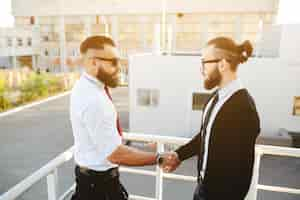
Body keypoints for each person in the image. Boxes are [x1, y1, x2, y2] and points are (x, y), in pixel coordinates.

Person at [160, 37, 261, 200]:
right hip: (202, 189)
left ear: (222, 64)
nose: (201, 70)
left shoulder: (244, 108)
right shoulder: (216, 98)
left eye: (204, 62)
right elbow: (205, 136)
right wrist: (179, 155)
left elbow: (243, 170)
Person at [70, 35, 160, 200]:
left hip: (93, 183)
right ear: (93, 62)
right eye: (113, 62)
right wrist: (159, 158)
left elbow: (105, 138)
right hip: (98, 188)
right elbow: (115, 154)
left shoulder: (85, 86)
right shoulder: (94, 100)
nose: (119, 67)